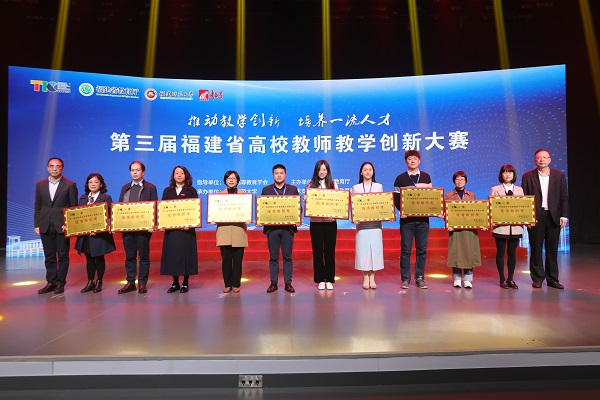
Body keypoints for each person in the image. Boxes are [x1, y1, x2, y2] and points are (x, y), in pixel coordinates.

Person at [522, 149, 569, 289]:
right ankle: (537, 278)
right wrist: (527, 218)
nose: (541, 160)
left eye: (544, 157)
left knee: (552, 249)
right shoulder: (527, 176)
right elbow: (525, 199)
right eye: (538, 157)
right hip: (536, 216)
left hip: (553, 215)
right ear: (534, 160)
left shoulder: (559, 175)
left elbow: (564, 197)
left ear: (549, 159)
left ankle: (552, 279)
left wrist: (564, 215)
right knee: (536, 248)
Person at [35, 157, 79, 294]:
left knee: (63, 255)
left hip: (62, 226)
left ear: (62, 168)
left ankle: (60, 283)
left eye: (58, 166)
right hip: (45, 224)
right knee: (49, 256)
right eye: (52, 166)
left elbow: (73, 207)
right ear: (47, 168)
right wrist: (36, 224)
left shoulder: (70, 185)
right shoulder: (40, 185)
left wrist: (69, 224)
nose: (55, 169)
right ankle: (51, 282)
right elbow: (38, 206)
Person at [393, 150, 433, 289]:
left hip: (423, 220)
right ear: (406, 162)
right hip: (407, 221)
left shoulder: (426, 177)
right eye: (410, 159)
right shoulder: (400, 178)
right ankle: (405, 279)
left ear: (419, 161)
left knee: (422, 250)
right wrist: (402, 210)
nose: (412, 161)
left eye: (415, 158)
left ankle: (420, 278)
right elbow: (396, 198)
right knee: (406, 250)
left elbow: (431, 197)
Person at [117, 161, 158, 294]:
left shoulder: (150, 187)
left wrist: (153, 224)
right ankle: (130, 282)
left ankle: (142, 283)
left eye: (137, 170)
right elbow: (119, 207)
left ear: (143, 172)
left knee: (144, 256)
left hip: (143, 228)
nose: (135, 172)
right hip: (128, 228)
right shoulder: (125, 188)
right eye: (132, 170)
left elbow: (155, 207)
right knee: (130, 256)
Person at [74, 173, 117, 293]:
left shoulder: (106, 197)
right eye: (90, 182)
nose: (93, 184)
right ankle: (90, 282)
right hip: (86, 235)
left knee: (99, 258)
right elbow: (78, 215)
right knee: (89, 258)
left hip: (100, 235)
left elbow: (109, 216)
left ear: (101, 184)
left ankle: (99, 282)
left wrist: (98, 229)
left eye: (96, 182)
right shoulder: (83, 198)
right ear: (87, 184)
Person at [261, 164, 300, 294]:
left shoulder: (292, 189)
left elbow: (298, 208)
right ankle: (274, 283)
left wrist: (297, 219)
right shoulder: (266, 190)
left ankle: (288, 283)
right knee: (273, 257)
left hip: (288, 229)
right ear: (273, 175)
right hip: (272, 229)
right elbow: (262, 209)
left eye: (281, 173)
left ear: (285, 174)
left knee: (287, 256)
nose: (279, 175)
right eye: (276, 173)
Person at [160, 166, 199, 294]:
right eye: (176, 173)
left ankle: (185, 283)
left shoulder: (191, 190)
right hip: (172, 231)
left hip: (187, 230)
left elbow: (195, 210)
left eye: (182, 173)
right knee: (173, 256)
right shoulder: (167, 191)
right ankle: (175, 282)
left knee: (186, 256)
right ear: (173, 176)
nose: (179, 175)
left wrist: (191, 223)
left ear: (186, 175)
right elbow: (163, 209)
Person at [445, 171, 482, 289]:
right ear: (454, 181)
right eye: (457, 179)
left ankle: (467, 279)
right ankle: (456, 278)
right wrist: (448, 224)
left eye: (462, 179)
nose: (459, 181)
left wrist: (482, 223)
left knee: (469, 253)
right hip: (455, 230)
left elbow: (477, 211)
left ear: (465, 181)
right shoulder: (449, 195)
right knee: (456, 253)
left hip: (469, 229)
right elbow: (445, 212)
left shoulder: (471, 195)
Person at [490, 164, 524, 289]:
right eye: (505, 172)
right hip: (500, 227)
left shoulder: (520, 190)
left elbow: (523, 207)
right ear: (501, 174)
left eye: (510, 172)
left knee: (512, 253)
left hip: (515, 227)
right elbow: (491, 207)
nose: (507, 174)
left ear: (514, 175)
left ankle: (511, 279)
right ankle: (502, 279)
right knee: (500, 252)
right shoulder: (495, 189)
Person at [351, 161, 384, 289]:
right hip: (362, 225)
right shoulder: (356, 188)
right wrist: (354, 218)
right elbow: (353, 206)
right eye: (365, 169)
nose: (368, 172)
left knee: (375, 250)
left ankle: (372, 277)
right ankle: (365, 276)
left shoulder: (379, 186)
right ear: (361, 172)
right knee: (363, 250)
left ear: (373, 172)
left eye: (370, 169)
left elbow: (383, 204)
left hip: (375, 224)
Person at [308, 160, 339, 290]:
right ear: (316, 171)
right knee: (317, 251)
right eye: (320, 169)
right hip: (316, 223)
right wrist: (307, 201)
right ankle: (320, 279)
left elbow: (338, 203)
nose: (322, 172)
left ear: (328, 171)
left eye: (324, 169)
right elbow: (308, 206)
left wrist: (335, 215)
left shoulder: (333, 184)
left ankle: (329, 279)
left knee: (330, 251)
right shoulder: (310, 185)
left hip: (330, 222)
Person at [217, 170, 248, 293]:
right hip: (224, 230)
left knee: (237, 260)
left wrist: (248, 217)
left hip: (238, 230)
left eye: (233, 178)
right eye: (228, 178)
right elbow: (214, 213)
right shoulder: (218, 196)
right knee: (226, 259)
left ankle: (236, 283)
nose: (231, 180)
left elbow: (247, 213)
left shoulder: (244, 196)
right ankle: (227, 283)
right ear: (225, 180)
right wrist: (213, 218)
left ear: (237, 180)